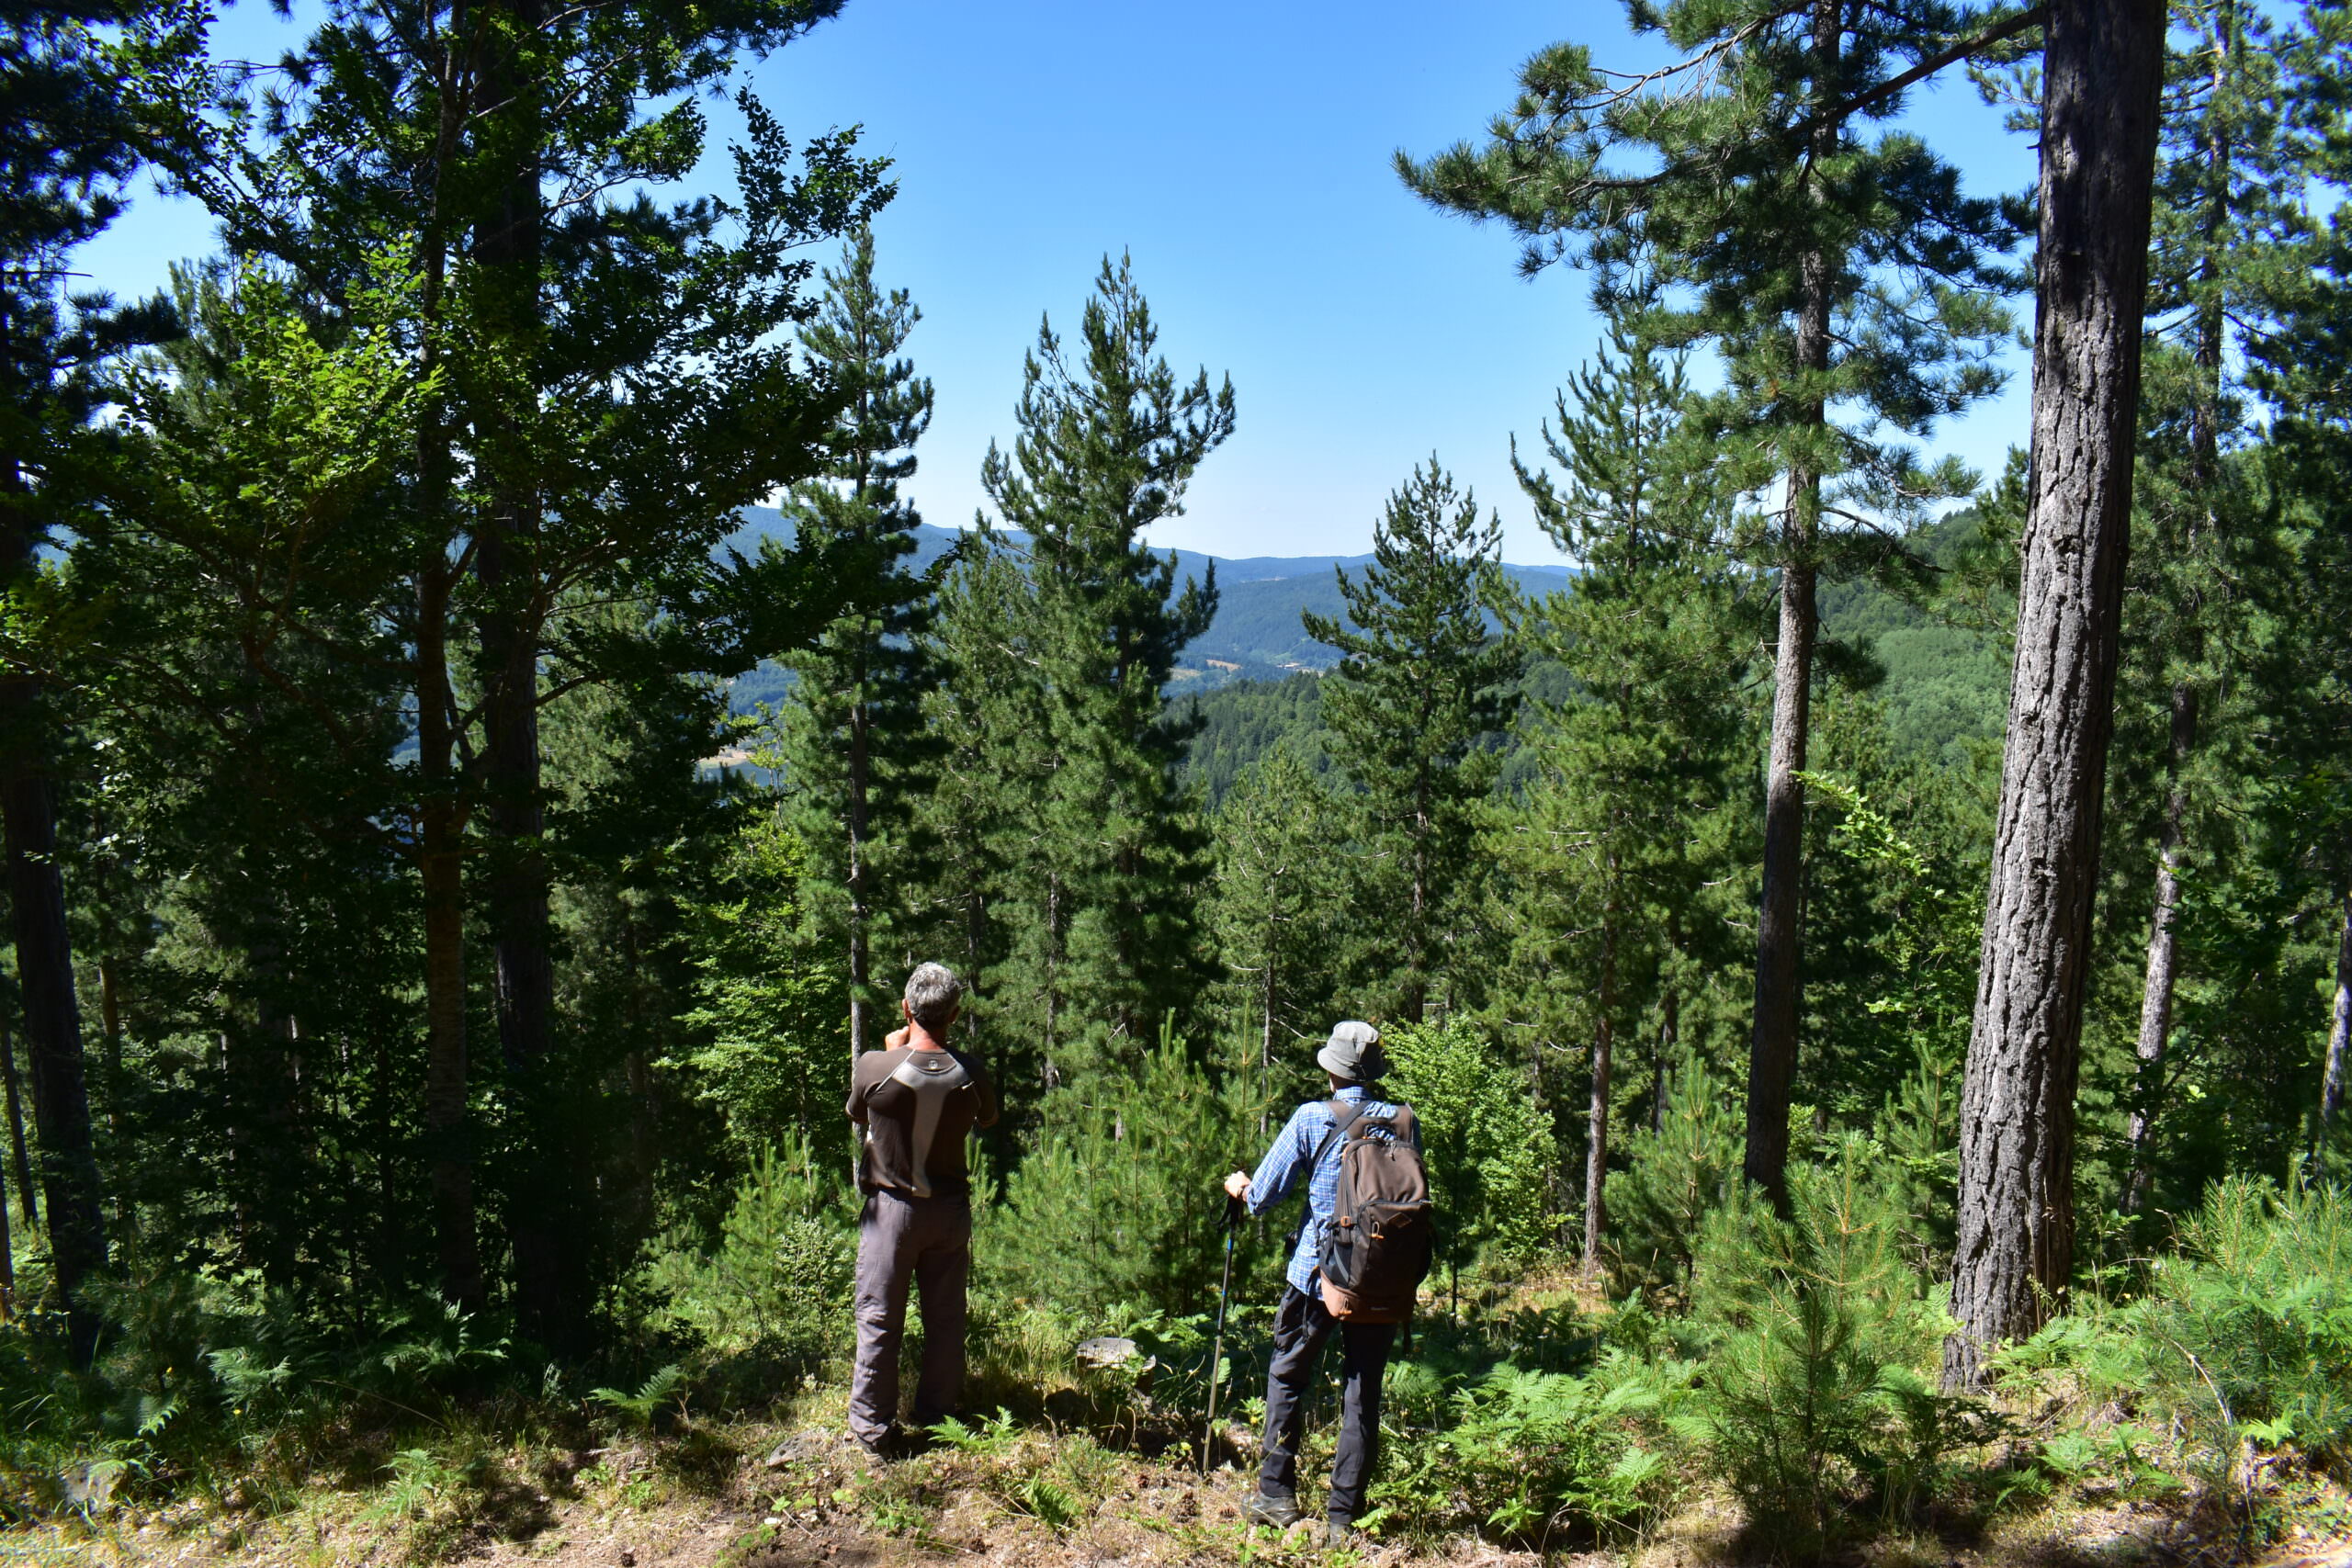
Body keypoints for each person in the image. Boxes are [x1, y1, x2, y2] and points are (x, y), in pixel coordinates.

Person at [1221, 1020, 1415, 1544]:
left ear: (1332, 1070)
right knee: (1362, 1393)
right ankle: (1343, 1519)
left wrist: (1239, 1187)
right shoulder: (1402, 1121)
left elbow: (1262, 1197)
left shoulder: (1313, 1118)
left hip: (1317, 1274)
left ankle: (1276, 1496)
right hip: (1379, 1280)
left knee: (1288, 1375)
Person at [844, 962, 998, 1459]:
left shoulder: (873, 1064)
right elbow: (988, 1116)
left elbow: (858, 1111)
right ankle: (938, 1418)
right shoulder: (971, 1073)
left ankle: (874, 1432)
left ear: (907, 1009)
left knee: (879, 1318)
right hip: (950, 1211)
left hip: (891, 1211)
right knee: (946, 1318)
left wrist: (894, 1052)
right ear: (954, 1013)